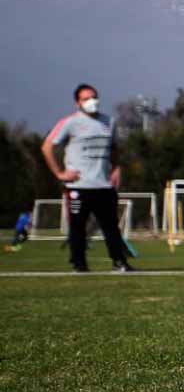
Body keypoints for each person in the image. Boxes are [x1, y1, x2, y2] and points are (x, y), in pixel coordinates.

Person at [41, 83, 133, 273]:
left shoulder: (109, 122)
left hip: (104, 186)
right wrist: (59, 173)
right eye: (86, 98)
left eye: (94, 97)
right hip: (78, 187)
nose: (92, 101)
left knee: (111, 227)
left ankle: (119, 262)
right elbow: (47, 146)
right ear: (78, 103)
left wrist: (116, 168)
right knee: (77, 227)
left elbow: (115, 148)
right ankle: (79, 264)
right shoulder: (70, 122)